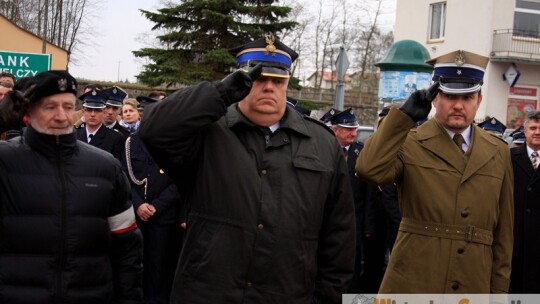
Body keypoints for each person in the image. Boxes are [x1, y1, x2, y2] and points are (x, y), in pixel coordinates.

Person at [138, 35, 355, 303]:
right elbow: (153, 129)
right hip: (209, 292)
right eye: (259, 79)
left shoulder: (321, 143)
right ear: (241, 81)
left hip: (287, 293)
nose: (268, 87)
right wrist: (219, 93)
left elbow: (340, 234)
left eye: (277, 81)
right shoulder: (207, 132)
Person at [356, 50, 514, 293]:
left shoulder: (498, 151)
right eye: (450, 96)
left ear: (479, 100)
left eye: (468, 97)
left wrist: (499, 294)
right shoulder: (410, 141)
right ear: (435, 99)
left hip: (473, 282)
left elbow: (503, 234)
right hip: (415, 279)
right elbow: (369, 169)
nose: (459, 105)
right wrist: (403, 118)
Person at [0, 70, 143, 303]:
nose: (61, 116)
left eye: (67, 107)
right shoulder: (5, 162)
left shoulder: (105, 167)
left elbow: (127, 249)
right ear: (27, 111)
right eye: (50, 107)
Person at [122, 130, 185, 304]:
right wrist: (138, 204)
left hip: (163, 217)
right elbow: (124, 175)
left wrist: (156, 206)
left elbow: (181, 180)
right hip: (136, 216)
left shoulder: (176, 140)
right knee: (133, 263)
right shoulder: (132, 141)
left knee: (159, 266)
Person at [327, 108, 369, 293]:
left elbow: (370, 195)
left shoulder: (362, 153)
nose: (354, 133)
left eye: (355, 129)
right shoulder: (324, 150)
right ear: (335, 130)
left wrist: (369, 227)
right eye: (348, 129)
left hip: (355, 225)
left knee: (353, 271)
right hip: (328, 223)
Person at [510, 110, 540, 293]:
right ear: (525, 131)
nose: (537, 132)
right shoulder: (510, 157)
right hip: (515, 232)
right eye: (533, 128)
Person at [76, 89, 125, 160]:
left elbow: (116, 167)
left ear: (104, 112)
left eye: (97, 110)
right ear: (83, 112)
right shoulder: (74, 134)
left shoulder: (115, 138)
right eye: (89, 110)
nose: (92, 114)